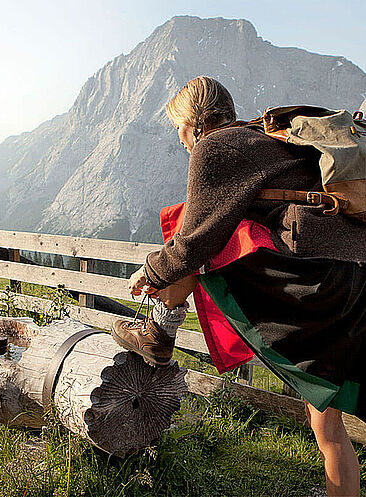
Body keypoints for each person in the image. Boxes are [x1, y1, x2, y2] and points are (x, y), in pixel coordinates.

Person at [111, 76, 366, 496]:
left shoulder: (216, 148)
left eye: (179, 127)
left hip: (317, 281)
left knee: (185, 222)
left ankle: (161, 328)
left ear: (195, 123)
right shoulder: (265, 136)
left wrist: (151, 272)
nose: (179, 140)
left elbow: (194, 243)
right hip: (356, 276)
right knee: (327, 423)